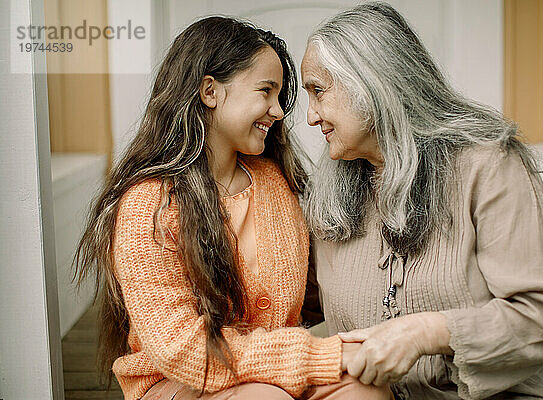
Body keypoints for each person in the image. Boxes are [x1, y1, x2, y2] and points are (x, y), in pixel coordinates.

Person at [74, 16, 392, 400]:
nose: (278, 112)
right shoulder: (148, 205)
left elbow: (312, 294)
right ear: (210, 91)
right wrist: (322, 354)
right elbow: (181, 351)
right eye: (266, 91)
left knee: (365, 391)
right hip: (179, 380)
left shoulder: (275, 183)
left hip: (273, 371)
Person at [301, 2, 543, 399]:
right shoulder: (331, 195)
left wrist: (426, 332)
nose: (310, 116)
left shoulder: (487, 165)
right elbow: (333, 328)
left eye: (318, 91)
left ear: (370, 80)